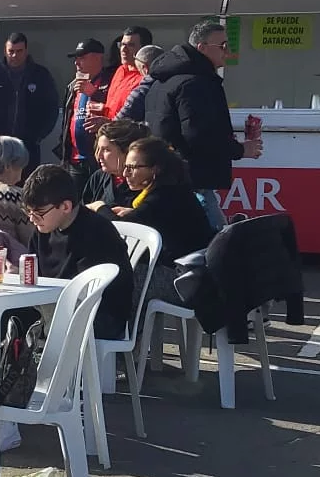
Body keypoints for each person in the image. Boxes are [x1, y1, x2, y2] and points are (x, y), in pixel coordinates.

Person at [143, 18, 262, 228]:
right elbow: (200, 136)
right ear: (202, 48)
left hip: (170, 173)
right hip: (193, 177)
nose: (228, 50)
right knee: (211, 241)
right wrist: (240, 150)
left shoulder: (166, 78)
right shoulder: (196, 82)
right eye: (223, 46)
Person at [19, 165, 135, 341]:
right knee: (11, 315)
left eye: (39, 213)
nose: (32, 219)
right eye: (29, 212)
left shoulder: (96, 232)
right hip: (57, 305)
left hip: (100, 314)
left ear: (65, 206)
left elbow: (89, 292)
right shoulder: (42, 229)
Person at [114, 137, 216, 302]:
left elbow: (118, 225)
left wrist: (98, 207)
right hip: (187, 273)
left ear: (156, 170)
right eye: (125, 167)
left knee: (119, 276)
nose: (125, 173)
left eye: (132, 167)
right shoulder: (168, 190)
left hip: (187, 282)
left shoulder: (165, 196)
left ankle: (127, 329)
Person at [0, 32, 59, 172]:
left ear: (26, 51)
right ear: (5, 51)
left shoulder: (40, 75)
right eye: (11, 51)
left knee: (27, 186)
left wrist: (38, 136)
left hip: (28, 145)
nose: (14, 56)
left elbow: (52, 108)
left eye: (19, 51)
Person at [59, 39, 112, 184]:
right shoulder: (73, 86)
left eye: (82, 58)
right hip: (74, 159)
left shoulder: (110, 82)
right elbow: (67, 120)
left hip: (99, 159)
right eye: (76, 58)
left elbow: (117, 110)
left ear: (98, 57)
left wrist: (94, 93)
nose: (77, 63)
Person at [85, 119, 149, 211]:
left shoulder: (144, 183)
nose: (99, 156)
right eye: (98, 149)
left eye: (106, 150)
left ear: (127, 151)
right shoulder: (98, 177)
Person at [101, 27, 152, 125]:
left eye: (130, 45)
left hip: (130, 135)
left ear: (143, 49)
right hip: (111, 132)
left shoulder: (145, 77)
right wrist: (103, 108)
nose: (123, 49)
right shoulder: (120, 70)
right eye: (122, 44)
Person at [115, 44, 161, 121]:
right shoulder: (177, 83)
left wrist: (106, 123)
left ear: (145, 68)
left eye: (139, 70)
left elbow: (119, 124)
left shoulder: (140, 93)